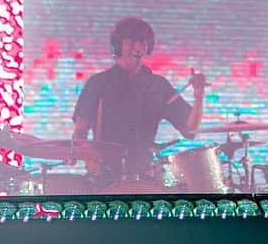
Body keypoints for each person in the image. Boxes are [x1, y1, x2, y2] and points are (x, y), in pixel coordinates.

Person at [72, 16, 207, 185]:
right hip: (104, 177)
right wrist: (89, 158)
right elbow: (79, 133)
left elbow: (190, 129)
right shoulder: (98, 83)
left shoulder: (157, 85)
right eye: (131, 41)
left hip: (146, 177)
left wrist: (199, 96)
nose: (138, 47)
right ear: (119, 44)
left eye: (143, 42)